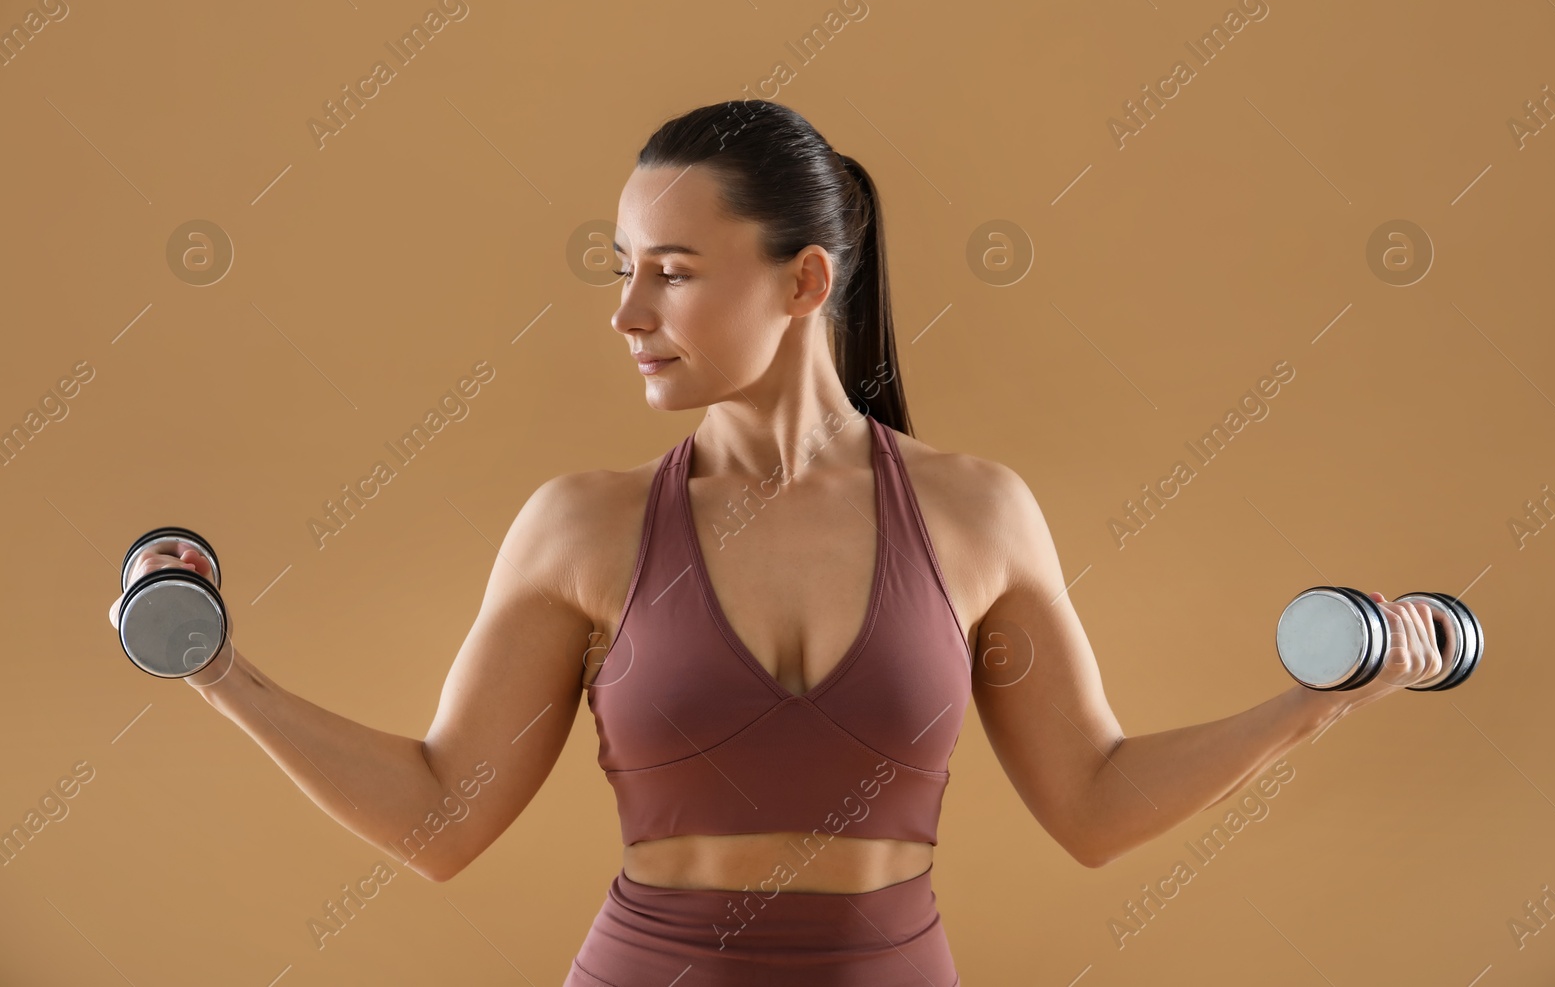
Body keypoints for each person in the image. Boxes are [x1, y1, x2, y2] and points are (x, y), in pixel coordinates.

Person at [109, 99, 1446, 986]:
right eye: (621, 265)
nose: (627, 308)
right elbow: (440, 821)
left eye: (672, 269)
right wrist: (217, 669)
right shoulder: (583, 525)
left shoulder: (978, 512)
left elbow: (1092, 806)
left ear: (805, 280)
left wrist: (1305, 708)